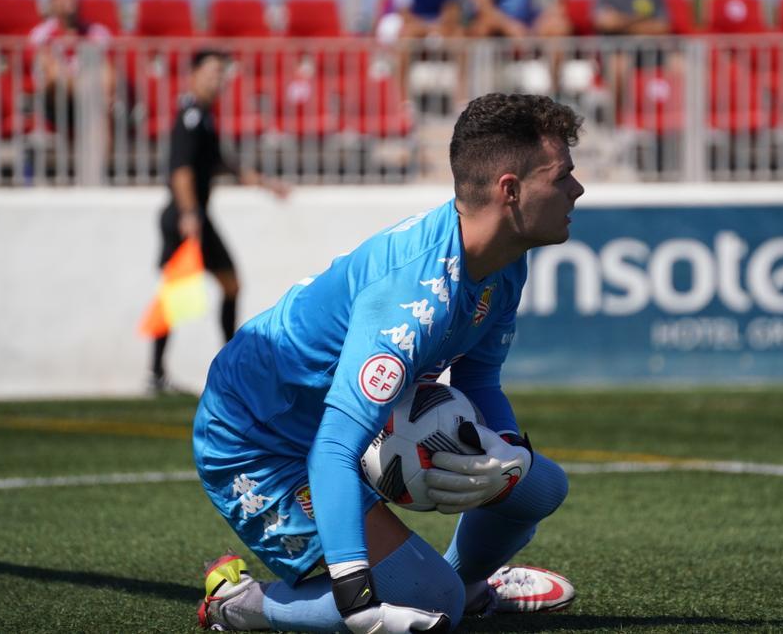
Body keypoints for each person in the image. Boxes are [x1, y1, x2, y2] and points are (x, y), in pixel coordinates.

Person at [193, 93, 584, 632]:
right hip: (257, 441)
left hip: (335, 429)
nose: (577, 189)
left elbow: (479, 379)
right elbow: (332, 449)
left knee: (540, 486)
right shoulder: (412, 297)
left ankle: (467, 586)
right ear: (510, 190)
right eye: (562, 175)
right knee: (429, 605)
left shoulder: (506, 262)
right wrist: (355, 595)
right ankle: (239, 605)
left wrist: (505, 451)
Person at [151, 50, 286, 394]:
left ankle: (225, 364)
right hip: (187, 217)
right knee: (177, 295)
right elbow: (180, 170)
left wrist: (266, 184)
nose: (219, 79)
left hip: (195, 216)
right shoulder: (191, 117)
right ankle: (158, 374)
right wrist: (189, 214)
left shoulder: (205, 118)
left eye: (222, 73)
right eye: (213, 71)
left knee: (227, 285)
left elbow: (221, 163)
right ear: (193, 75)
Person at [28, 0, 114, 142]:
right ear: (53, 1)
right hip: (56, 103)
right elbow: (50, 75)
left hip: (91, 102)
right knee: (55, 73)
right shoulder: (42, 34)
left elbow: (108, 72)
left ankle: (104, 166)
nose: (71, 0)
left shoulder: (97, 33)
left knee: (102, 102)